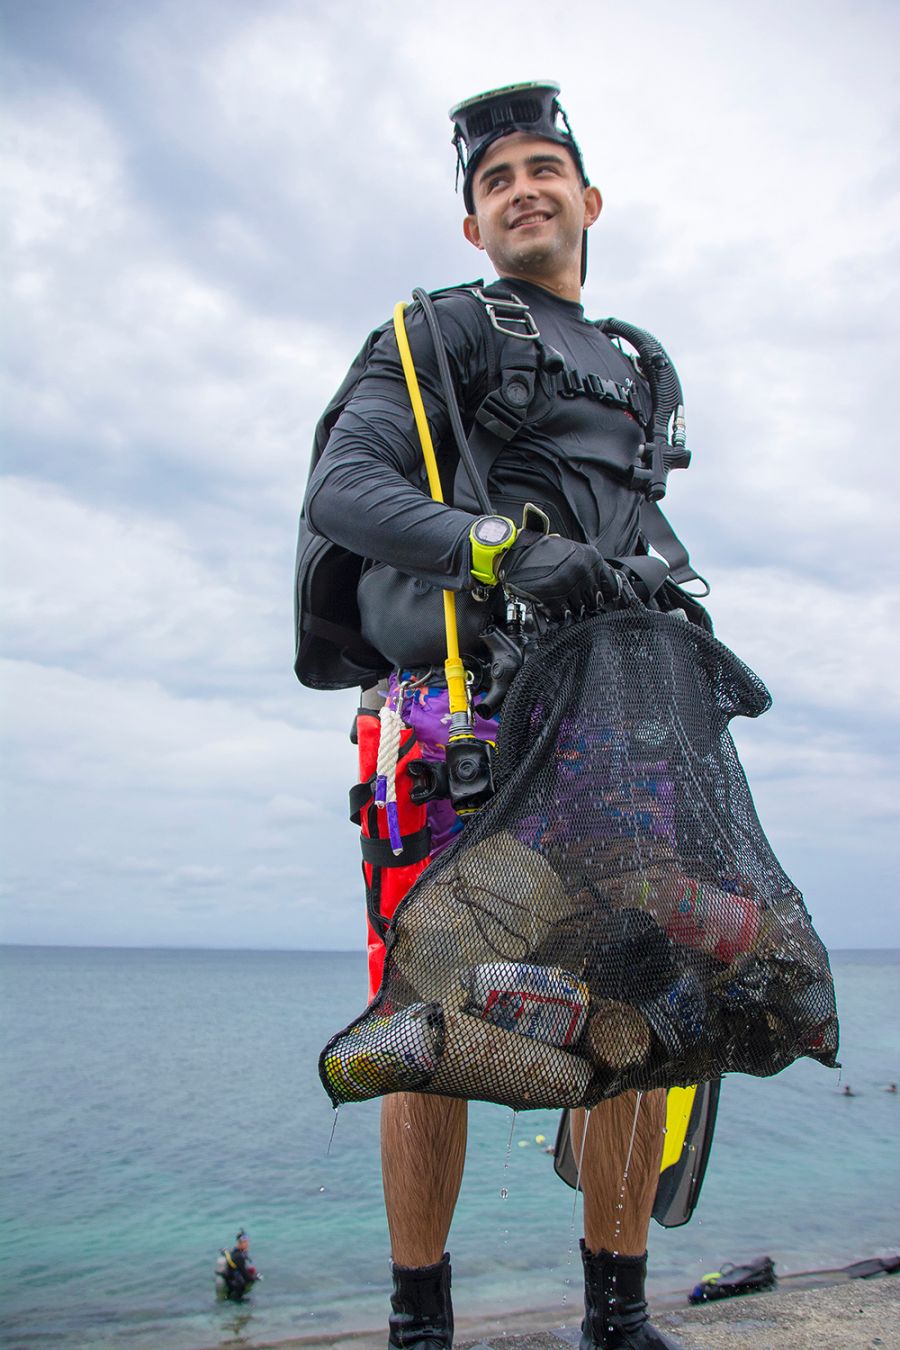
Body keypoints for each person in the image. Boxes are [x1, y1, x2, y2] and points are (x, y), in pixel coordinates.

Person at [299, 81, 691, 1349]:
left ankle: (616, 1318)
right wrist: (498, 551)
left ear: (589, 198)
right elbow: (345, 489)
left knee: (633, 1015)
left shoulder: (638, 372)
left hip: (617, 726)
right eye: (493, 179)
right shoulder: (442, 332)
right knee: (431, 1020)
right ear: (473, 225)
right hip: (451, 711)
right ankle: (421, 1327)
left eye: (543, 168)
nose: (522, 188)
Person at [217, 1230, 259, 1301]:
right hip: (234, 1283)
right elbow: (246, 1276)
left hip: (230, 1275)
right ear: (240, 1243)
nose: (247, 1244)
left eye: (247, 1241)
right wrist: (255, 1278)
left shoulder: (236, 1251)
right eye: (245, 1242)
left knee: (252, 1271)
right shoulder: (239, 1257)